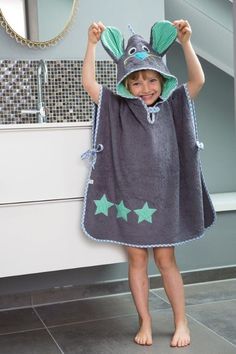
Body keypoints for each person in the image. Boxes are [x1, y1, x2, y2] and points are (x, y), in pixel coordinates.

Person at [81, 19, 216, 348]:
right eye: (137, 82)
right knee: (137, 260)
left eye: (151, 80)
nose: (145, 88)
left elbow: (198, 80)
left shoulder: (173, 104)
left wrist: (186, 42)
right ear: (127, 84)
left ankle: (181, 320)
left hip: (164, 197)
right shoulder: (117, 107)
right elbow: (89, 84)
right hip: (130, 197)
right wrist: (91, 45)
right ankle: (145, 320)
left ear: (162, 80)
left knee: (166, 260)